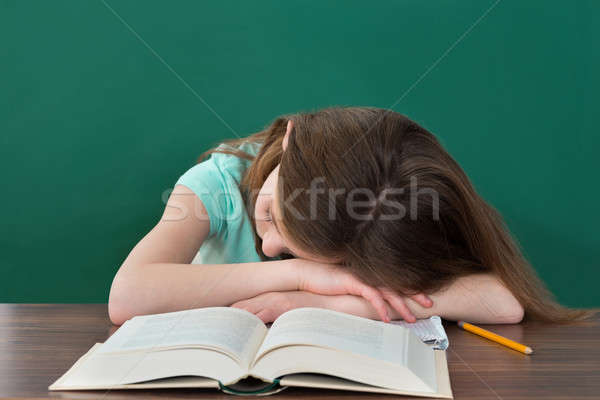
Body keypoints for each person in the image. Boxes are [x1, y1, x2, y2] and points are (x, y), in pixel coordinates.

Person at [108, 107, 588, 326]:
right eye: (275, 214)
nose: (270, 247)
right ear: (292, 138)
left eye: (294, 249)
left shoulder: (378, 210)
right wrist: (302, 274)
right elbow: (127, 296)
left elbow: (502, 303)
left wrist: (332, 305)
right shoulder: (214, 185)